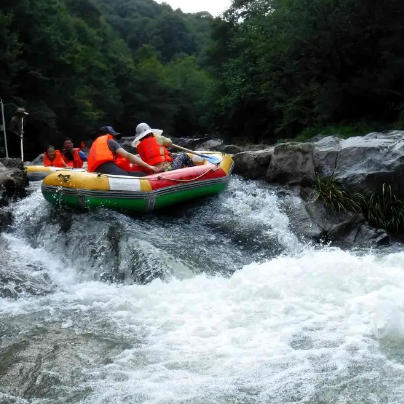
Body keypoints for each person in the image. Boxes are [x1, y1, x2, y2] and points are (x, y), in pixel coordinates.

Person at [87, 126, 159, 176]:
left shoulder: (94, 146)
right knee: (141, 174)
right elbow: (129, 156)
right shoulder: (110, 142)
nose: (114, 139)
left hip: (97, 175)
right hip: (110, 173)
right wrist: (149, 166)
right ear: (107, 134)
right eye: (113, 136)